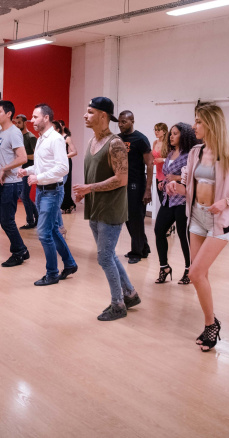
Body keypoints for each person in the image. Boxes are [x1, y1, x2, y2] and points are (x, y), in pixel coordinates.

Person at [167, 102, 229, 351]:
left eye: (199, 122)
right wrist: (177, 188)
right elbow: (189, 188)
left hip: (220, 221)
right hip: (196, 218)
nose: (194, 127)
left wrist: (226, 202)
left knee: (194, 273)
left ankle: (210, 325)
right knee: (199, 275)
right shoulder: (194, 152)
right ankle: (211, 322)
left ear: (212, 124)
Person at [73, 97, 140, 321]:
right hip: (95, 207)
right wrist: (86, 191)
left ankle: (118, 304)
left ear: (103, 116)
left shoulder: (115, 144)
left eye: (90, 112)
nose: (85, 115)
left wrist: (89, 187)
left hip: (111, 209)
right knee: (108, 255)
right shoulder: (92, 142)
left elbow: (121, 179)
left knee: (103, 258)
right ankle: (130, 293)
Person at [17, 104, 77, 286]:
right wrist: (27, 171)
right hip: (43, 190)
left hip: (52, 191)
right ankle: (70, 263)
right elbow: (43, 166)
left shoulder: (56, 139)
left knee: (43, 233)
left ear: (46, 118)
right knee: (50, 230)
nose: (32, 120)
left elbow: (62, 168)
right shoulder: (42, 139)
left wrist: (38, 177)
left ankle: (52, 274)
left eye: (35, 117)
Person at [0, 101, 31, 267]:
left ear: (8, 114)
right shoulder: (1, 133)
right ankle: (21, 249)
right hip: (2, 183)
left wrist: (4, 169)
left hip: (11, 183)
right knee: (4, 220)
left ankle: (19, 251)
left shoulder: (14, 133)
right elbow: (0, 153)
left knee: (7, 221)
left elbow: (23, 158)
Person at [154, 123, 196, 284]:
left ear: (183, 136)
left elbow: (193, 176)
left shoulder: (189, 155)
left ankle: (189, 270)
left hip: (182, 199)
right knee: (159, 231)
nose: (171, 136)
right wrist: (163, 182)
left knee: (183, 235)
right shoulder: (170, 153)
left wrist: (176, 179)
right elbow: (167, 174)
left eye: (175, 133)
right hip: (168, 198)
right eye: (171, 133)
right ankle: (164, 267)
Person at [117, 110, 154, 264]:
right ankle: (144, 247)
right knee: (127, 218)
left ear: (132, 121)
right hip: (123, 184)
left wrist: (147, 189)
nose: (120, 125)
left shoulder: (140, 139)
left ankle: (136, 252)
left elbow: (150, 164)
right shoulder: (118, 139)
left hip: (136, 184)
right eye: (119, 122)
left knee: (136, 219)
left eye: (124, 122)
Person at [15, 114, 39, 230]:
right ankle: (37, 216)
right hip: (21, 170)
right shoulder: (18, 137)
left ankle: (31, 221)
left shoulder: (31, 137)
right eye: (16, 122)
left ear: (25, 123)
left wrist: (23, 157)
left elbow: (36, 156)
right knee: (23, 195)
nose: (17, 124)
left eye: (19, 122)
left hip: (29, 170)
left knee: (24, 195)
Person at [55, 120, 78, 215]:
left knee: (66, 184)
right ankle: (70, 204)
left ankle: (66, 206)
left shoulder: (67, 138)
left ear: (63, 126)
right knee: (58, 183)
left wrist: (64, 156)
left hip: (66, 162)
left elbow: (74, 152)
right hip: (57, 162)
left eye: (60, 126)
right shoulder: (55, 137)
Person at [153, 122, 168, 205]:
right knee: (161, 199)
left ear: (164, 131)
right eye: (155, 130)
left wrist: (162, 159)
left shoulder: (167, 144)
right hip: (158, 175)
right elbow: (153, 157)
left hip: (165, 175)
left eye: (158, 130)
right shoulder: (155, 142)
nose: (156, 132)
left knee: (165, 200)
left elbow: (172, 159)